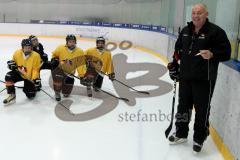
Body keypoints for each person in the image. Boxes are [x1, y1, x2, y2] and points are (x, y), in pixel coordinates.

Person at [167, 3, 231, 153]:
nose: (196, 15)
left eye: (199, 13)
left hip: (204, 80)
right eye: (194, 13)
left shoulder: (215, 32)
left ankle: (199, 138)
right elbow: (178, 51)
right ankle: (181, 133)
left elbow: (227, 52)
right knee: (183, 107)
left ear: (206, 14)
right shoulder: (185, 31)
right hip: (185, 78)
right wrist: (174, 66)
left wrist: (212, 54)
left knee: (202, 110)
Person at [3, 39, 41, 105]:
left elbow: (35, 70)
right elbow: (13, 64)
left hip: (29, 77)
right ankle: (12, 94)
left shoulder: (36, 56)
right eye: (26, 47)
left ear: (32, 47)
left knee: (30, 95)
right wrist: (10, 66)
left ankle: (33, 88)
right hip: (19, 73)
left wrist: (34, 79)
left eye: (29, 47)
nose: (28, 49)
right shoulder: (17, 53)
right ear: (22, 47)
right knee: (8, 76)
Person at [51, 34, 86, 101]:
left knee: (66, 93)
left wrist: (82, 75)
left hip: (70, 73)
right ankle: (57, 92)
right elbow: (54, 54)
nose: (72, 43)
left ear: (75, 42)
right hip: (60, 71)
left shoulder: (79, 51)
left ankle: (65, 90)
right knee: (57, 81)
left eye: (73, 41)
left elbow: (81, 65)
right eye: (70, 42)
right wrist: (54, 59)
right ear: (67, 42)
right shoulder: (60, 48)